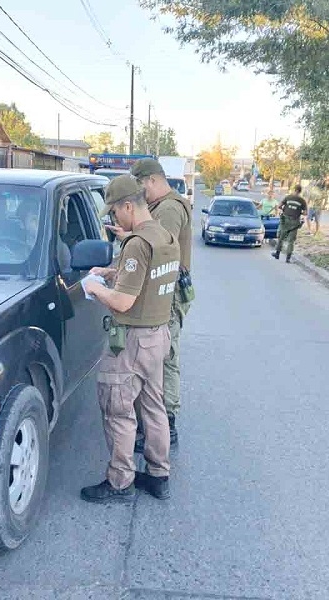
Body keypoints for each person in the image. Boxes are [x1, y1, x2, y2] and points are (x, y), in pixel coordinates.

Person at [80, 175, 180, 503]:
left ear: (128, 206)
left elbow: (124, 302)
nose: (113, 219)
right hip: (158, 336)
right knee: (153, 407)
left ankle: (120, 483)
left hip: (133, 341)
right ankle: (158, 475)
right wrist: (111, 273)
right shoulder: (163, 235)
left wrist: (95, 287)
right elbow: (148, 277)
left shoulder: (137, 243)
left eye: (114, 212)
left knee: (118, 409)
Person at [121, 158, 193, 450]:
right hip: (164, 289)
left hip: (169, 291)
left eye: (140, 188)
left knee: (165, 358)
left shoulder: (170, 209)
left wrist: (130, 237)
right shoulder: (161, 206)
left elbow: (161, 248)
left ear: (151, 180)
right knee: (158, 358)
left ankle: (167, 424)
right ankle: (158, 425)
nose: (139, 197)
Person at [273, 184, 307, 263]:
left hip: (285, 220)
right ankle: (288, 258)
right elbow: (305, 213)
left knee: (281, 237)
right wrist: (298, 211)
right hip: (295, 222)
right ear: (300, 191)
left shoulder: (288, 197)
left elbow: (279, 206)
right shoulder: (302, 201)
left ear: (294, 189)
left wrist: (285, 209)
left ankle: (277, 254)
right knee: (291, 241)